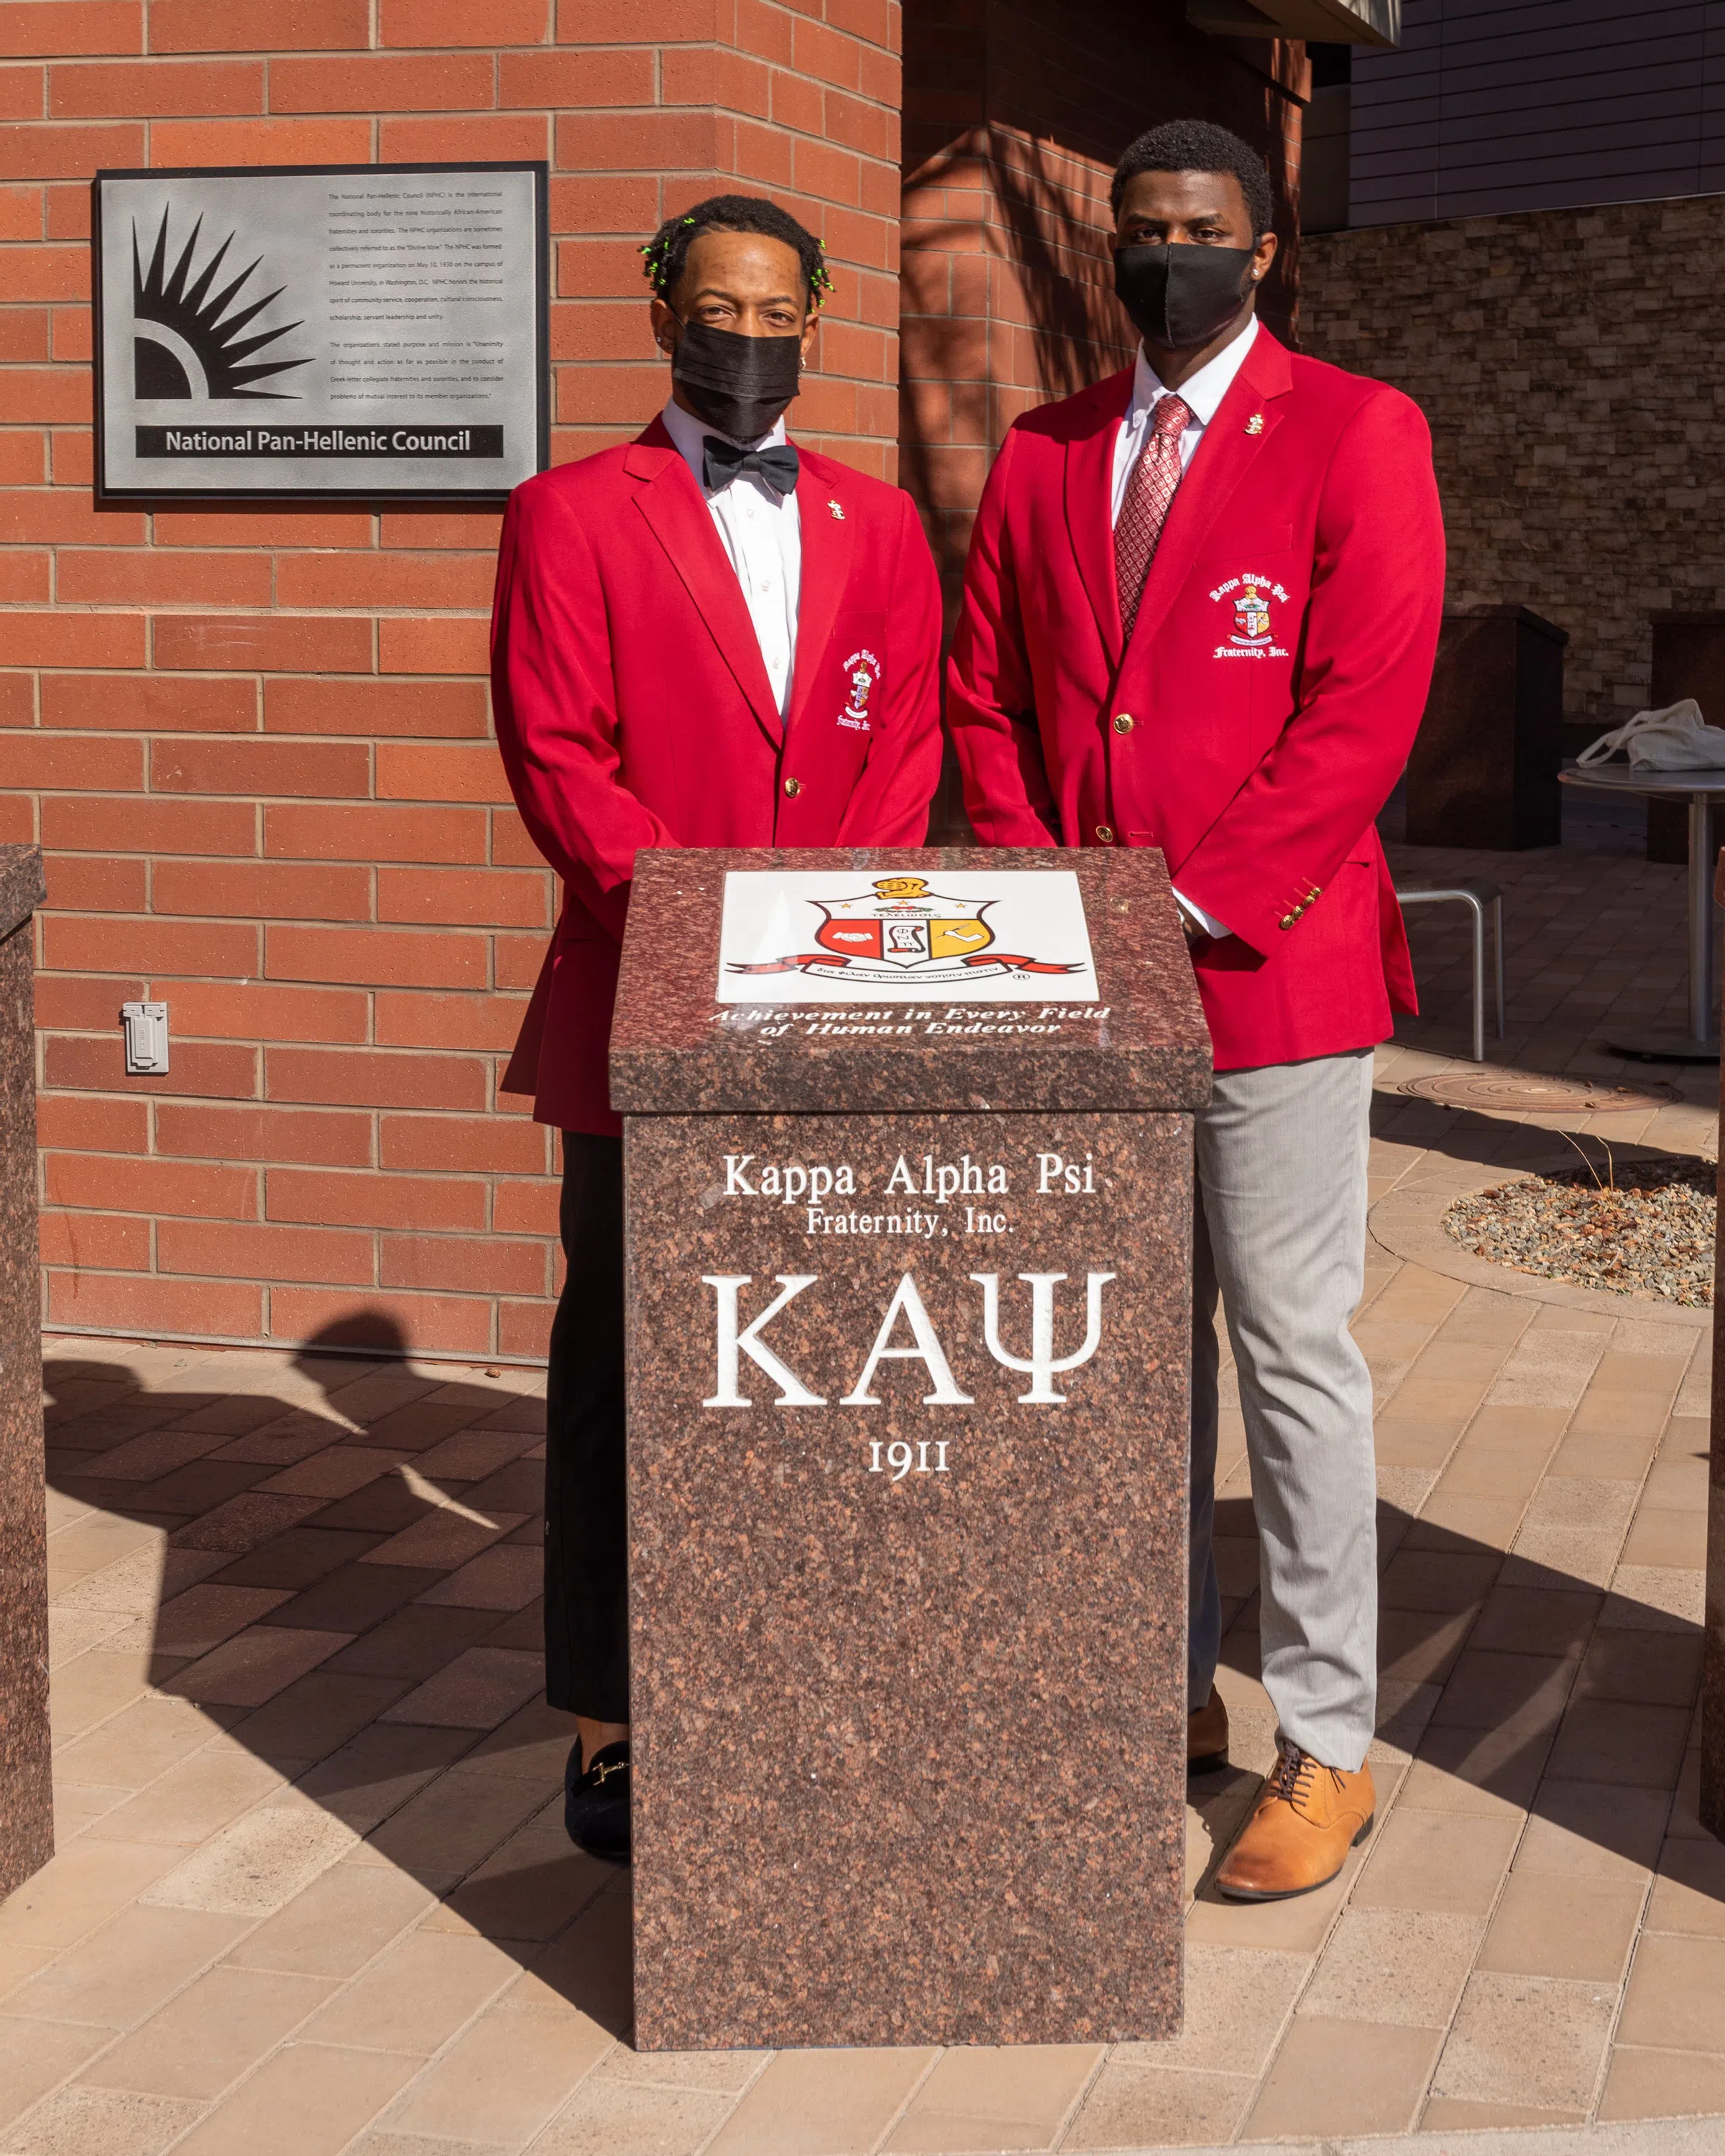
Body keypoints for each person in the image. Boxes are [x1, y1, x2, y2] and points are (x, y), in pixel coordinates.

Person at [947, 119, 1445, 1900]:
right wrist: (1058, 903)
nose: (1172, 258)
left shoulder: (1359, 433)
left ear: (1266, 250)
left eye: (1203, 232)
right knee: (1129, 1362)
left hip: (1271, 976)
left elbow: (1363, 707)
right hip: (1089, 983)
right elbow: (983, 692)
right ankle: (1163, 1697)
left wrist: (1182, 901)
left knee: (1293, 1359)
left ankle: (1326, 1743)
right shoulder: (1042, 454)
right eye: (1143, 231)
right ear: (1110, 249)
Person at [491, 195, 944, 1863]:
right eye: (714, 303)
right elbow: (559, 756)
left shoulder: (882, 525)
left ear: (814, 323)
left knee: (802, 1364)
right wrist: (709, 946)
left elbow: (901, 750)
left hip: (822, 1013)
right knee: (622, 1363)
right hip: (642, 1002)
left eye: (773, 309)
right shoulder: (564, 514)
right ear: (663, 309)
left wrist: (814, 958)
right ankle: (613, 1719)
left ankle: (790, 1662)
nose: (742, 333)